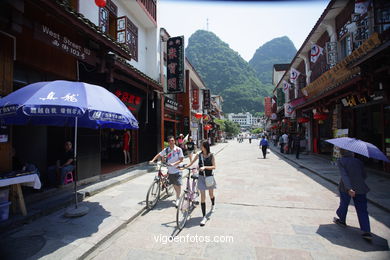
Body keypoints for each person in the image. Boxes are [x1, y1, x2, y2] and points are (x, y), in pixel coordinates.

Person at [333, 149, 372, 240]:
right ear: (352, 153)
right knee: (362, 209)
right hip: (360, 188)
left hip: (346, 188)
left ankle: (342, 220)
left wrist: (349, 188)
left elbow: (344, 175)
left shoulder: (341, 161)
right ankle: (366, 231)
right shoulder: (359, 161)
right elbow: (364, 175)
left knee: (344, 204)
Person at [185, 141, 216, 226]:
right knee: (203, 197)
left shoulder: (211, 155)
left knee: (211, 195)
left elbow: (214, 166)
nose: (200, 147)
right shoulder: (199, 155)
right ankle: (204, 217)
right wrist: (184, 167)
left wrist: (205, 167)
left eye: (201, 146)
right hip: (201, 178)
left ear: (205, 147)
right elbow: (191, 163)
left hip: (209, 177)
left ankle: (213, 205)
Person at [150, 136, 184, 207]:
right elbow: (159, 154)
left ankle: (178, 198)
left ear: (174, 141)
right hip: (170, 171)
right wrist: (153, 160)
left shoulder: (178, 149)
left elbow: (181, 159)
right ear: (168, 142)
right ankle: (177, 195)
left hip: (177, 170)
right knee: (174, 185)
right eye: (170, 141)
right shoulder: (166, 150)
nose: (171, 142)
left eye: (172, 140)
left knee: (178, 184)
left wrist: (174, 164)